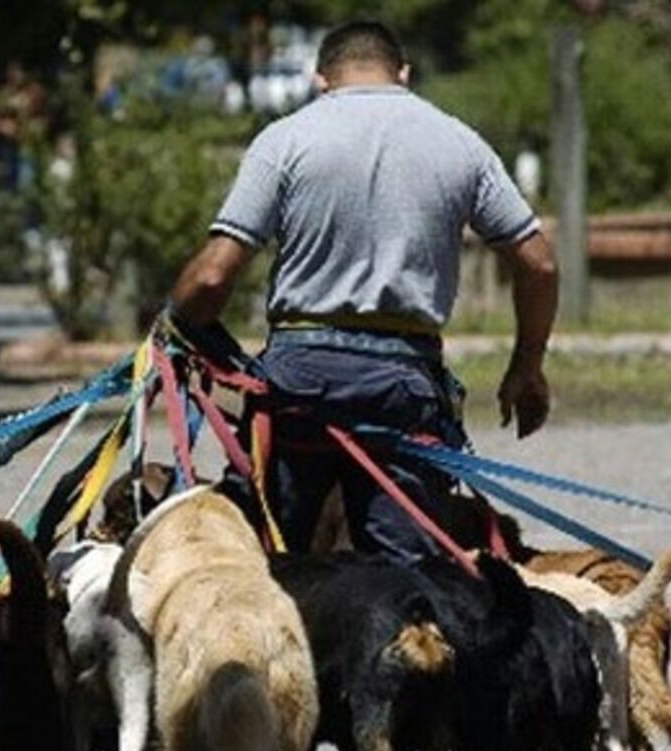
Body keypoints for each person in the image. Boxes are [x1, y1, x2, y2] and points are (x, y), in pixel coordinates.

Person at [163, 21, 558, 563]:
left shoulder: (285, 139)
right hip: (404, 383)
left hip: (301, 381)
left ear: (321, 78)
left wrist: (172, 329)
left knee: (269, 558)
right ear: (404, 74)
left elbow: (211, 277)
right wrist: (527, 366)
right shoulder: (460, 143)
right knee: (407, 574)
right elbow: (538, 263)